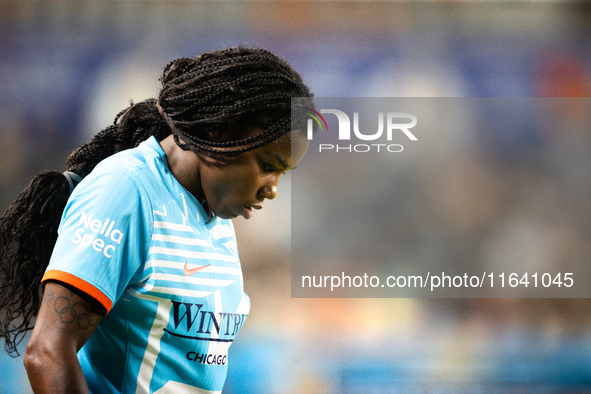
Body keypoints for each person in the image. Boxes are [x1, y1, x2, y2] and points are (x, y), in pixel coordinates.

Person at [0, 46, 314, 393]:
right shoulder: (128, 190)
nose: (273, 189)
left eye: (284, 173)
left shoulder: (217, 215)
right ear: (218, 134)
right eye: (268, 166)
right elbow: (47, 352)